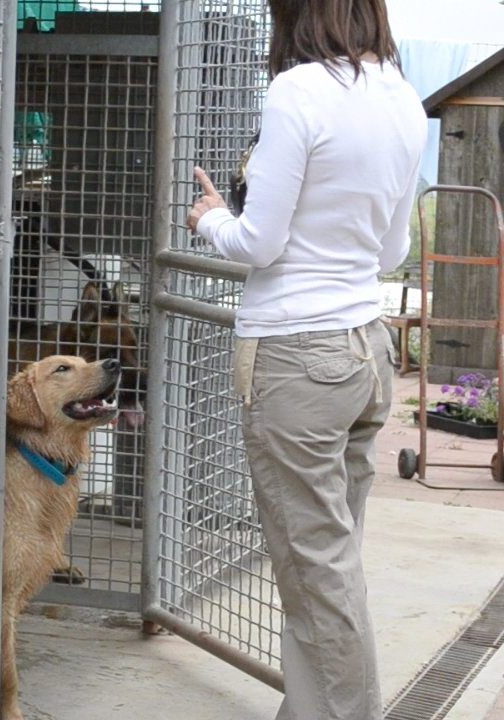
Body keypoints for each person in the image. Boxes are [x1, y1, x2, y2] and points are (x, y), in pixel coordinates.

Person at [187, 1, 427, 719]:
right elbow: (393, 253)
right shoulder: (402, 94)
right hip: (365, 353)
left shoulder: (298, 91)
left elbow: (258, 243)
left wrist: (210, 222)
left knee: (314, 575)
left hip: (297, 356)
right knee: (328, 565)